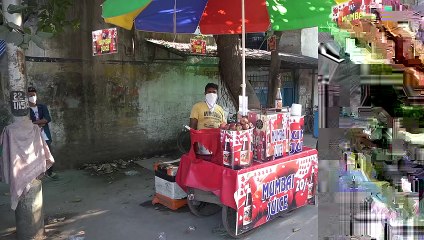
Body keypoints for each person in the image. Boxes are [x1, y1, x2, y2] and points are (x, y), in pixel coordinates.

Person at [27, 87, 57, 180]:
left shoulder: (42, 106)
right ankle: (36, 174)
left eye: (33, 95)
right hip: (32, 135)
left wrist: (34, 122)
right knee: (34, 154)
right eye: (30, 95)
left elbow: (47, 119)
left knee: (48, 153)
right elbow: (27, 122)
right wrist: (39, 123)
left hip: (44, 134)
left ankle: (50, 172)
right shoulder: (26, 109)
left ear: (36, 95)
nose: (32, 97)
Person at [189, 83, 226, 155]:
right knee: (204, 160)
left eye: (214, 92)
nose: (211, 94)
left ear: (217, 94)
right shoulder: (197, 106)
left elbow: (223, 125)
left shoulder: (220, 109)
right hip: (202, 141)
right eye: (209, 92)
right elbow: (192, 126)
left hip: (216, 141)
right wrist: (193, 143)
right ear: (205, 93)